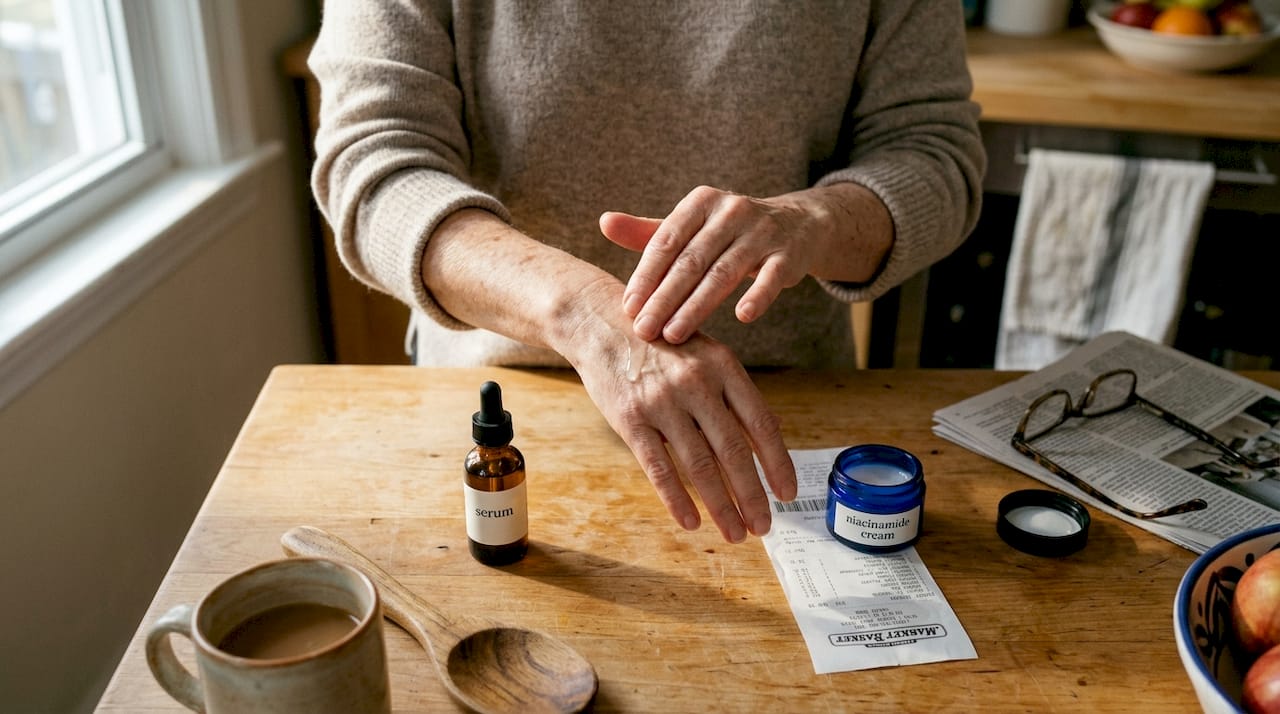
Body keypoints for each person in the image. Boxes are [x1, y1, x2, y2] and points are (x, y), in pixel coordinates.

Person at [309, 1, 986, 544]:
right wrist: (578, 312)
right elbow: (373, 172)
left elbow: (936, 154)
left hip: (779, 417)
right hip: (507, 411)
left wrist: (813, 221)